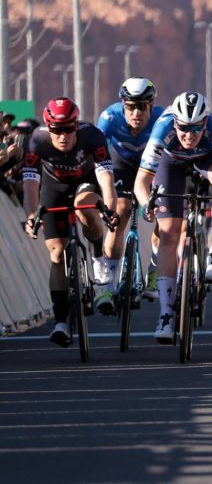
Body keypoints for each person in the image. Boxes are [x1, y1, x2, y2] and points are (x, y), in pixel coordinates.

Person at [134, 92, 212, 342]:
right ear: (175, 122)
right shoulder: (162, 129)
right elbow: (141, 181)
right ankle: (165, 314)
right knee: (168, 235)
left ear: (205, 123)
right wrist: (145, 205)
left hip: (207, 160)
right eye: (184, 127)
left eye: (196, 128)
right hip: (171, 163)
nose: (189, 134)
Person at [21, 98, 118, 347]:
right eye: (57, 130)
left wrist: (110, 209)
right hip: (54, 187)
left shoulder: (92, 136)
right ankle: (61, 322)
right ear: (48, 128)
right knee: (56, 253)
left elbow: (106, 179)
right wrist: (31, 216)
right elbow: (30, 184)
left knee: (84, 208)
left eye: (68, 129)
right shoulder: (35, 141)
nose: (63, 136)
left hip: (86, 181)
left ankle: (98, 257)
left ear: (76, 125)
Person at [96, 78, 165, 310]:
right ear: (122, 106)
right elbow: (96, 154)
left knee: (163, 214)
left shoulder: (162, 119)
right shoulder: (109, 117)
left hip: (152, 166)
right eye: (131, 107)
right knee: (120, 212)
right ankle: (107, 288)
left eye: (142, 107)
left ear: (151, 106)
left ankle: (154, 273)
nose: (136, 113)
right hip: (121, 163)